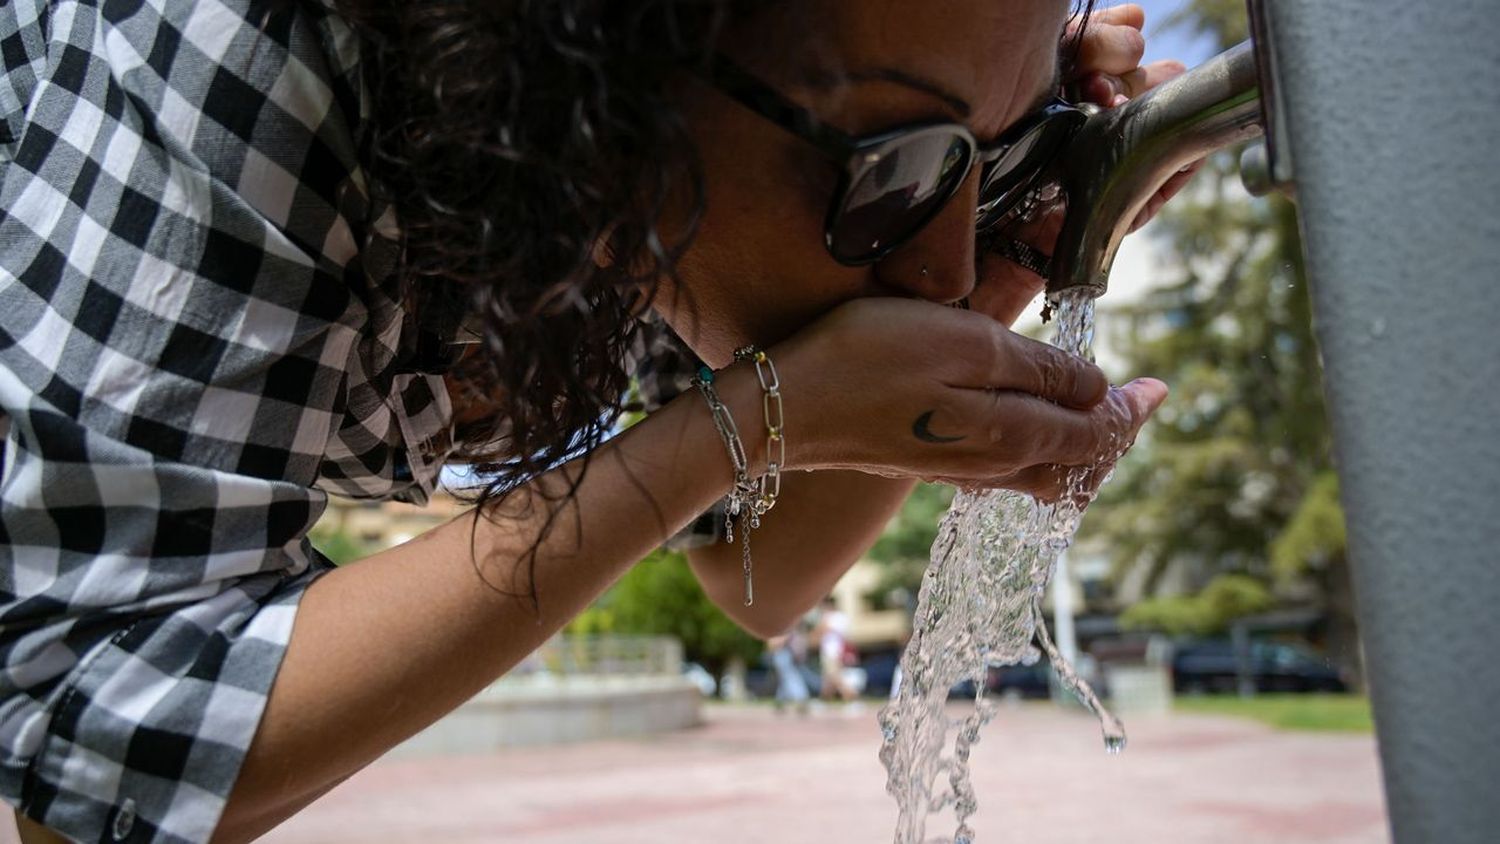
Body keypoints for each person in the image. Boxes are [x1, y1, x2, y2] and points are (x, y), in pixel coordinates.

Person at [0, 0, 1192, 840]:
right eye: (896, 169)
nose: (939, 261)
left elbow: (757, 578)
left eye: (996, 154)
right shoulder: (236, 52)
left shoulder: (642, 188)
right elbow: (102, 736)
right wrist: (741, 423)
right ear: (624, 59)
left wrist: (999, 281)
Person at [812, 596, 858, 703]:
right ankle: (823, 700)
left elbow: (821, 630)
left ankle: (852, 696)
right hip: (834, 651)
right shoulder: (841, 617)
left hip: (832, 652)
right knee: (828, 680)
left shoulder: (833, 617)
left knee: (835, 677)